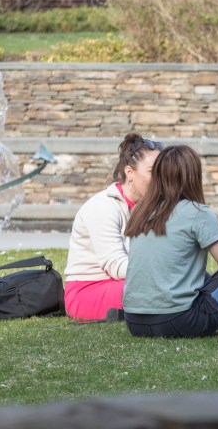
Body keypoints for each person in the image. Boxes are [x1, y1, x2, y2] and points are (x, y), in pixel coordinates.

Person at [122, 145, 218, 338]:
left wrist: (211, 221)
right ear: (193, 176)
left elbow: (178, 223)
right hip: (178, 321)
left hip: (134, 322)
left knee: (199, 274)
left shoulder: (140, 210)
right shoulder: (197, 213)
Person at [64, 133, 163, 320]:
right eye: (153, 171)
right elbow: (115, 265)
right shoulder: (103, 206)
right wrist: (163, 270)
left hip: (128, 282)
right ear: (130, 173)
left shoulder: (150, 207)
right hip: (88, 291)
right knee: (167, 285)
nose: (161, 178)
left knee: (184, 280)